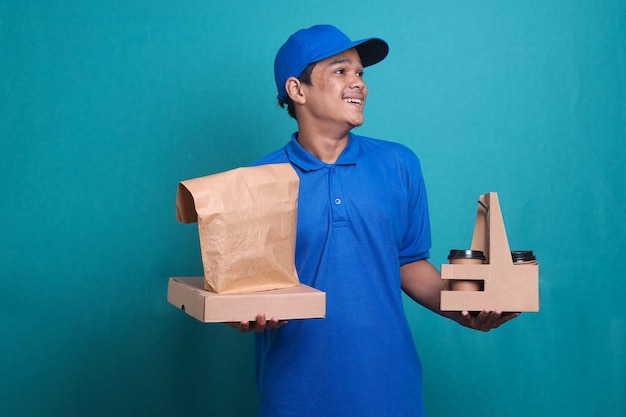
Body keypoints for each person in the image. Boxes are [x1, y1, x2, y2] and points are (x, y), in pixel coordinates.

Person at [231, 24, 519, 417]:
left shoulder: (399, 164)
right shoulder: (256, 180)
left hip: (390, 391)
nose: (358, 83)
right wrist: (242, 314)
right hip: (296, 396)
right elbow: (245, 288)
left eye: (360, 73)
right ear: (298, 90)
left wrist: (467, 311)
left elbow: (408, 262)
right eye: (340, 71)